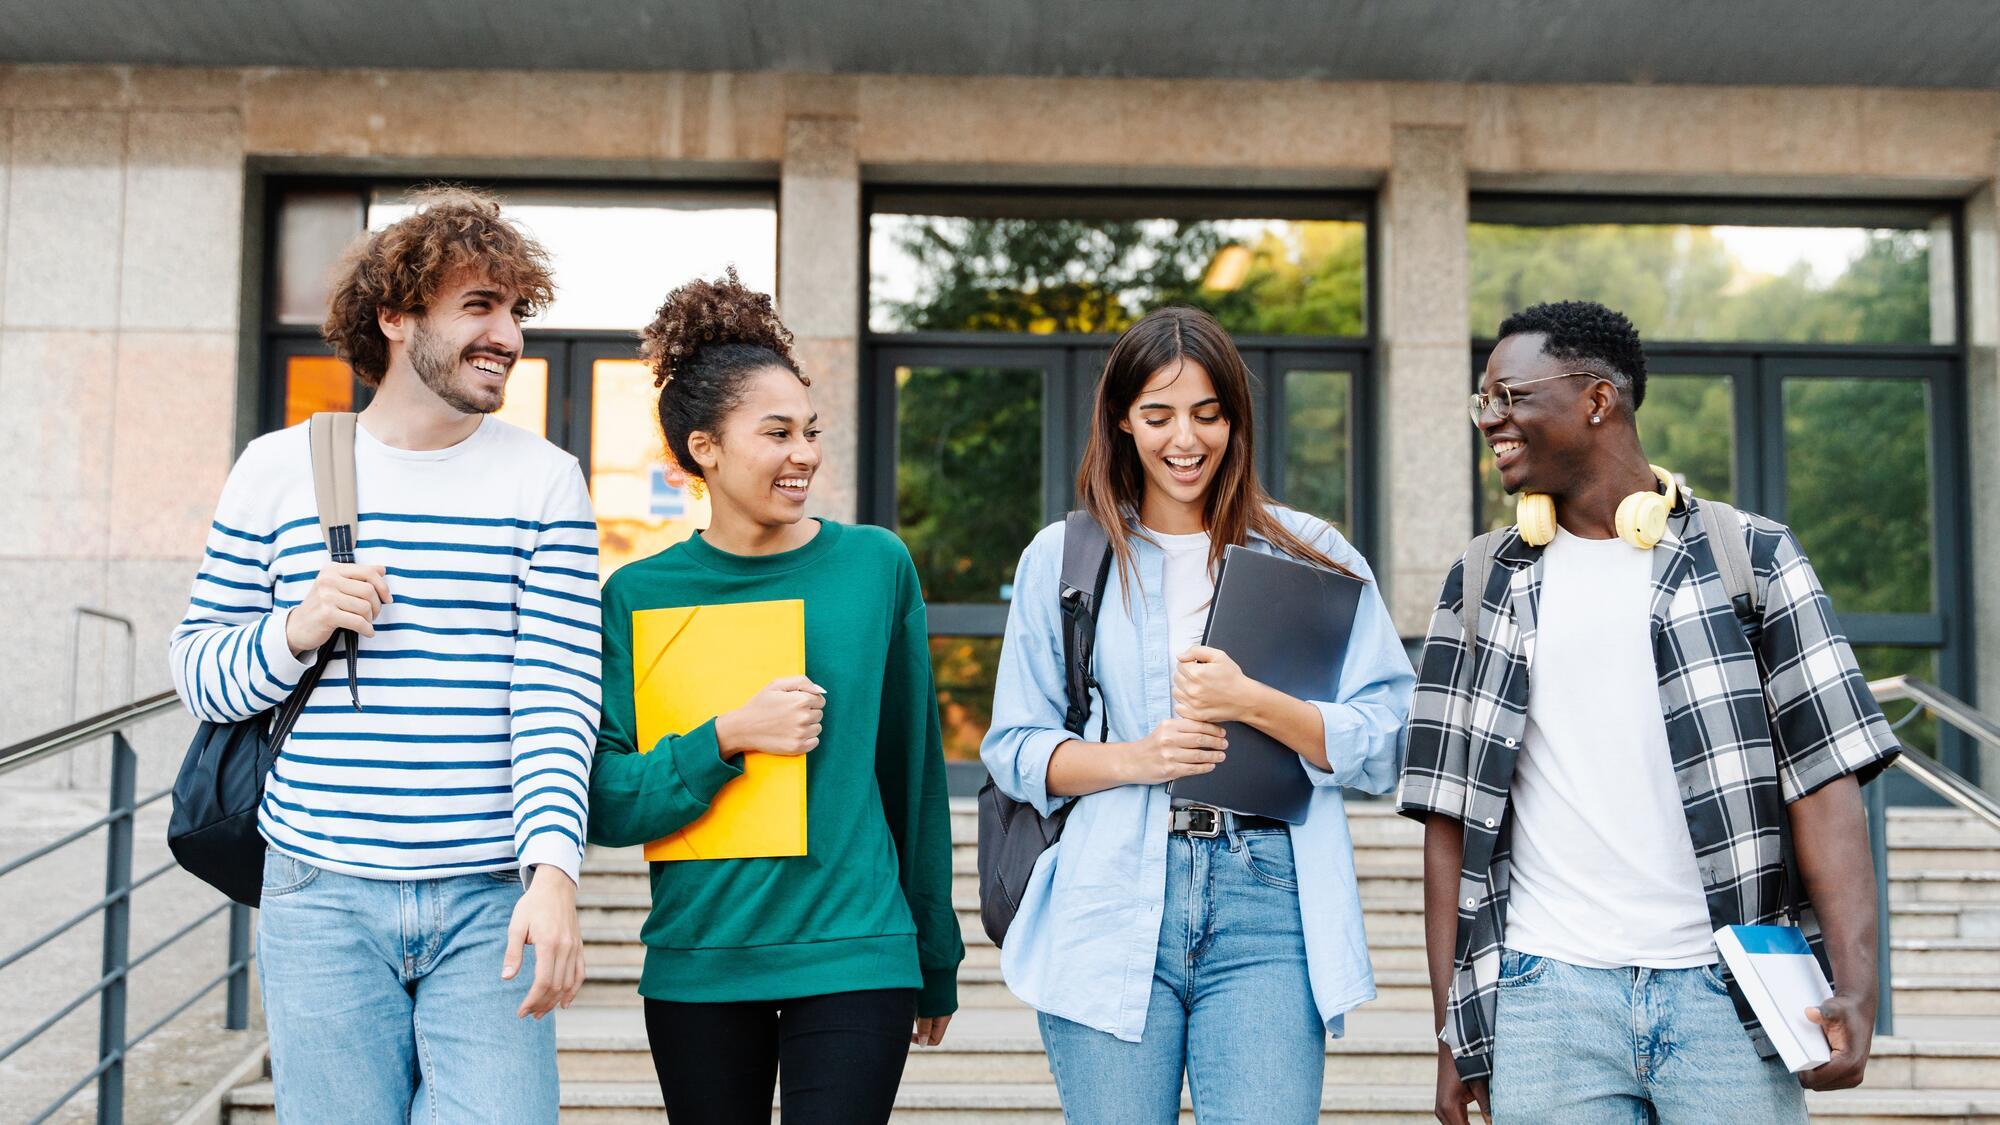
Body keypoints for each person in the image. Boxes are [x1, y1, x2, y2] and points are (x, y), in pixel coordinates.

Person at [1401, 300, 1899, 1124]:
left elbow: (1824, 779)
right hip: (1544, 995)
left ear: (1599, 400)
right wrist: (1453, 1032)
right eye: (1483, 403)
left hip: (1728, 993)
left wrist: (1853, 981)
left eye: (1511, 397)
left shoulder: (1754, 557)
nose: (1492, 421)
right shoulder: (1482, 579)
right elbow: (1448, 819)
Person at [169, 187, 599, 1121]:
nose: (508, 337)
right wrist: (295, 627)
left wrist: (554, 873)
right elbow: (197, 668)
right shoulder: (276, 469)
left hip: (491, 895)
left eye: (515, 310)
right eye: (478, 306)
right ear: (396, 316)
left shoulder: (545, 481)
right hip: (318, 891)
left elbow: (559, 697)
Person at [981, 306, 1414, 1123]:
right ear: (1122, 420)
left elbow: (1389, 736)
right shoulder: (1066, 556)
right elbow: (1015, 745)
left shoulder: (1308, 552)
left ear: (1235, 421)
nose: (1186, 438)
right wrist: (1135, 757)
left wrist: (1257, 703)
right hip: (1109, 890)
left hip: (1269, 895)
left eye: (1208, 413)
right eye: (1159, 414)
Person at [585, 269, 963, 1125]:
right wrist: (725, 735)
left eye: (811, 431)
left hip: (856, 951)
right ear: (705, 448)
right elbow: (604, 798)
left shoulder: (874, 567)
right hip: (701, 958)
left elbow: (913, 772)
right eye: (778, 432)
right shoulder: (638, 594)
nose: (805, 454)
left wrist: (935, 953)